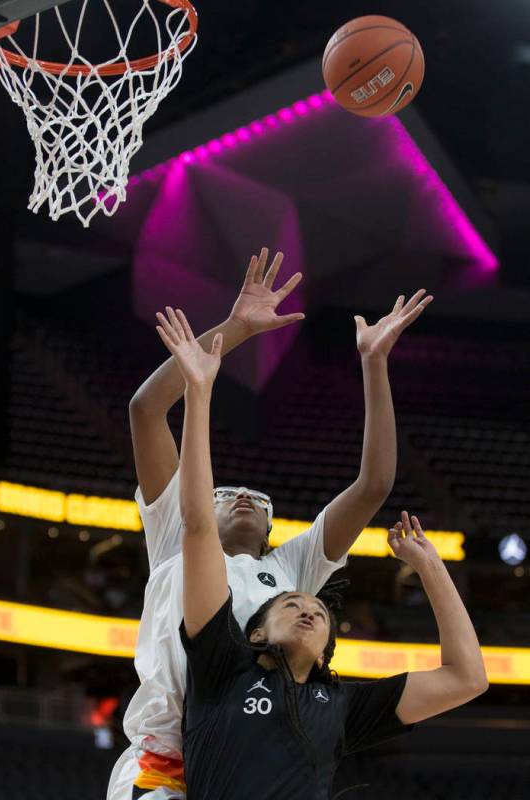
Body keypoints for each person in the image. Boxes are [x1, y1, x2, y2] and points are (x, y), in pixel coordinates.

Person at [107, 248, 432, 800]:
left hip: (250, 752)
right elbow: (145, 409)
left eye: (256, 499)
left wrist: (375, 365)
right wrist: (232, 331)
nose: (240, 499)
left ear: (271, 526)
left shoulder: (292, 570)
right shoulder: (175, 534)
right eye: (224, 493)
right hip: (168, 757)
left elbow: (374, 484)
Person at [156, 306, 489, 800]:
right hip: (157, 744)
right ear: (256, 631)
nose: (308, 608)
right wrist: (199, 393)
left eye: (314, 607)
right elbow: (198, 525)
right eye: (293, 604)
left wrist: (433, 569)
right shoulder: (222, 667)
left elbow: (466, 679)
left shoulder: (340, 703)